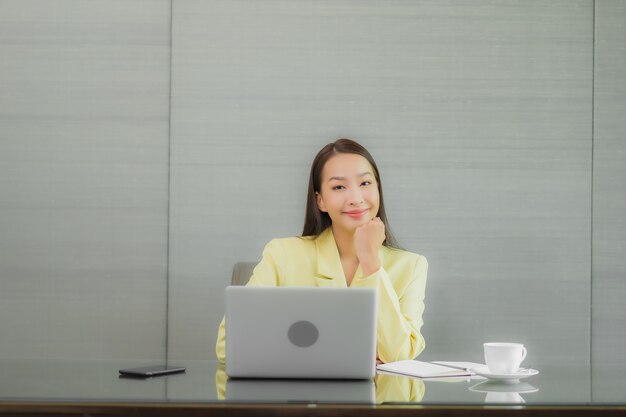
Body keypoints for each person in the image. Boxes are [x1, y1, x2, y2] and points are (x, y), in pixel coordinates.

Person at [215, 138, 428, 364]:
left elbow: (399, 356)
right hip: (297, 396)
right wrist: (354, 355)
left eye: (365, 184)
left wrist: (371, 260)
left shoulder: (412, 266)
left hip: (378, 397)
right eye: (338, 187)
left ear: (378, 189)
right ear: (320, 201)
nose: (356, 199)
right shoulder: (283, 254)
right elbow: (229, 346)